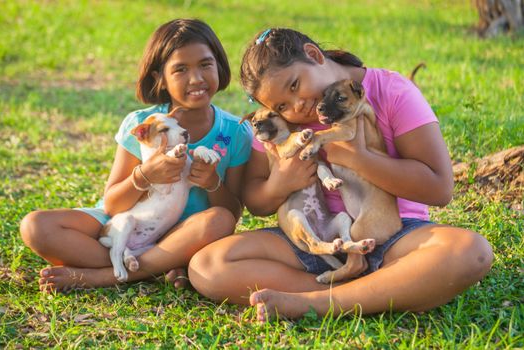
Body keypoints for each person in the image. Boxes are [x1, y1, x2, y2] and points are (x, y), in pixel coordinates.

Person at [188, 28, 493, 322]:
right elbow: (256, 200)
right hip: (313, 235)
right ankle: (379, 290)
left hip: (394, 236)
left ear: (313, 55)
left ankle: (319, 302)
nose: (298, 105)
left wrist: (361, 159)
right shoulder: (278, 122)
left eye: (295, 85)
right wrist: (280, 185)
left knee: (470, 251)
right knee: (207, 266)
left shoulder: (390, 90)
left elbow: (440, 188)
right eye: (282, 105)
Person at [20, 19, 252, 292]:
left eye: (205, 64)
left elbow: (232, 213)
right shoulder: (140, 125)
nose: (196, 79)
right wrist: (144, 175)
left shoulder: (236, 132)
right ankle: (156, 267)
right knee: (36, 226)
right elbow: (112, 205)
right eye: (180, 69)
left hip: (184, 236)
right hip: (125, 225)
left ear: (219, 66)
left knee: (219, 221)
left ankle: (106, 276)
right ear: (160, 79)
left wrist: (212, 183)